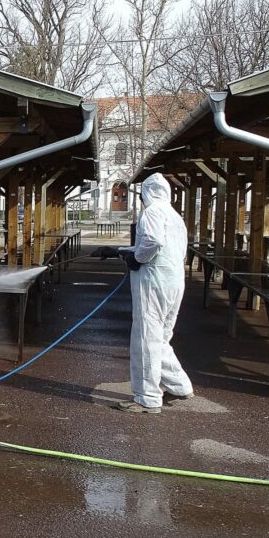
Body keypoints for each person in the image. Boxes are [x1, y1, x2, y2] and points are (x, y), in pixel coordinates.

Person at [98, 174, 193, 413]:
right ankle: (180, 385)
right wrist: (120, 251)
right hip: (173, 281)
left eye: (142, 195)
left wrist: (137, 258)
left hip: (153, 282)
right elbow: (164, 246)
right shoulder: (174, 216)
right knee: (160, 338)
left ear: (148, 193)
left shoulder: (151, 213)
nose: (141, 199)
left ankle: (147, 398)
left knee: (145, 339)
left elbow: (151, 242)